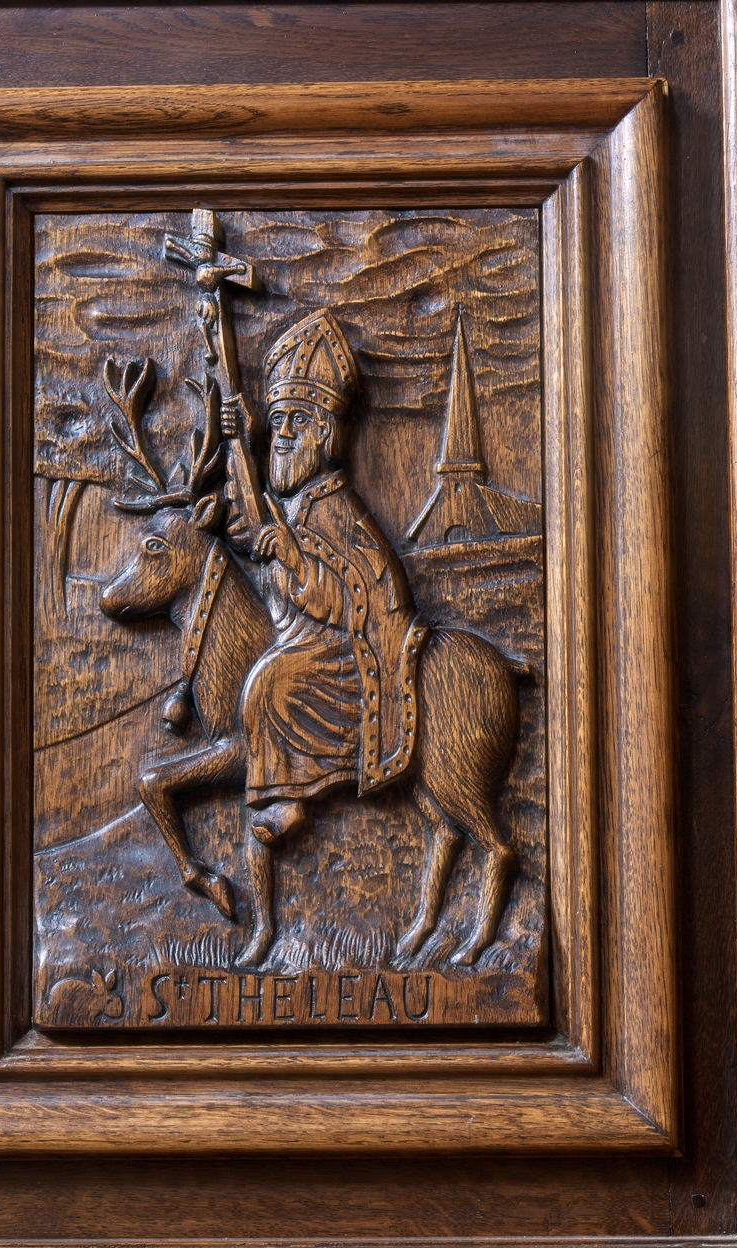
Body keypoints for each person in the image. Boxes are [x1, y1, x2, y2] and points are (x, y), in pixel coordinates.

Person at [221, 309, 427, 965]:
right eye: (276, 422)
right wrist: (236, 440)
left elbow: (356, 602)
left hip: (350, 658)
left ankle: (290, 794)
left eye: (295, 423)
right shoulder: (294, 503)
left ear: (326, 432)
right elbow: (258, 517)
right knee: (266, 673)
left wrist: (291, 557)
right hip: (304, 641)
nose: (281, 435)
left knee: (270, 681)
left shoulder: (337, 508)